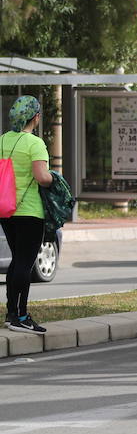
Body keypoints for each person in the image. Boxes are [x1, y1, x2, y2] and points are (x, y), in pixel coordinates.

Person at [0, 96, 53, 333]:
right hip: (30, 211)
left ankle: (11, 314)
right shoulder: (35, 143)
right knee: (25, 262)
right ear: (36, 117)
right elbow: (42, 177)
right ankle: (21, 316)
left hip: (6, 209)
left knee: (16, 260)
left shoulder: (2, 141)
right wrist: (56, 178)